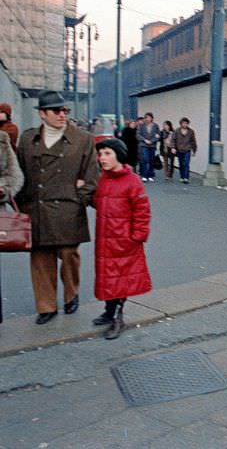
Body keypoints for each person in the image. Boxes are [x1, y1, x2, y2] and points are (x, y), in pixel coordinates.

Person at [16, 91, 98, 325]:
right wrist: (22, 204)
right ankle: (46, 306)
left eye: (65, 111)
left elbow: (92, 175)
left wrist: (79, 197)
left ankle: (71, 293)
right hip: (36, 209)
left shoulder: (82, 139)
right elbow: (20, 173)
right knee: (41, 259)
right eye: (56, 111)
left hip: (67, 209)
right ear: (43, 114)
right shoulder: (27, 139)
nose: (63, 115)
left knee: (69, 255)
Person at [92, 139, 152, 339]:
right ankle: (109, 312)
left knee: (120, 280)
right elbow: (99, 202)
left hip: (124, 241)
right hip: (106, 240)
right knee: (109, 278)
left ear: (119, 154)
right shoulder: (103, 179)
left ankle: (118, 317)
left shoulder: (132, 180)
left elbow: (142, 211)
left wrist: (137, 237)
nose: (102, 158)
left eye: (107, 153)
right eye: (100, 154)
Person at [136, 112, 160, 182]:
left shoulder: (155, 126)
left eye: (149, 117)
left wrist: (152, 141)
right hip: (144, 145)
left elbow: (158, 135)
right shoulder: (141, 125)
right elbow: (138, 134)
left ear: (152, 118)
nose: (147, 119)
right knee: (145, 159)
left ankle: (150, 174)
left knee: (151, 160)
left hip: (152, 145)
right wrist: (144, 140)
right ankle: (144, 175)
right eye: (146, 117)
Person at [174, 117, 197, 183]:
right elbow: (174, 139)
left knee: (186, 163)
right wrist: (173, 147)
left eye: (186, 123)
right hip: (179, 149)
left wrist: (194, 150)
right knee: (181, 163)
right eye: (183, 123)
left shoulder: (191, 131)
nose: (185, 125)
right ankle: (182, 176)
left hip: (187, 149)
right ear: (181, 124)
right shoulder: (177, 131)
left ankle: (186, 177)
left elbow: (193, 141)